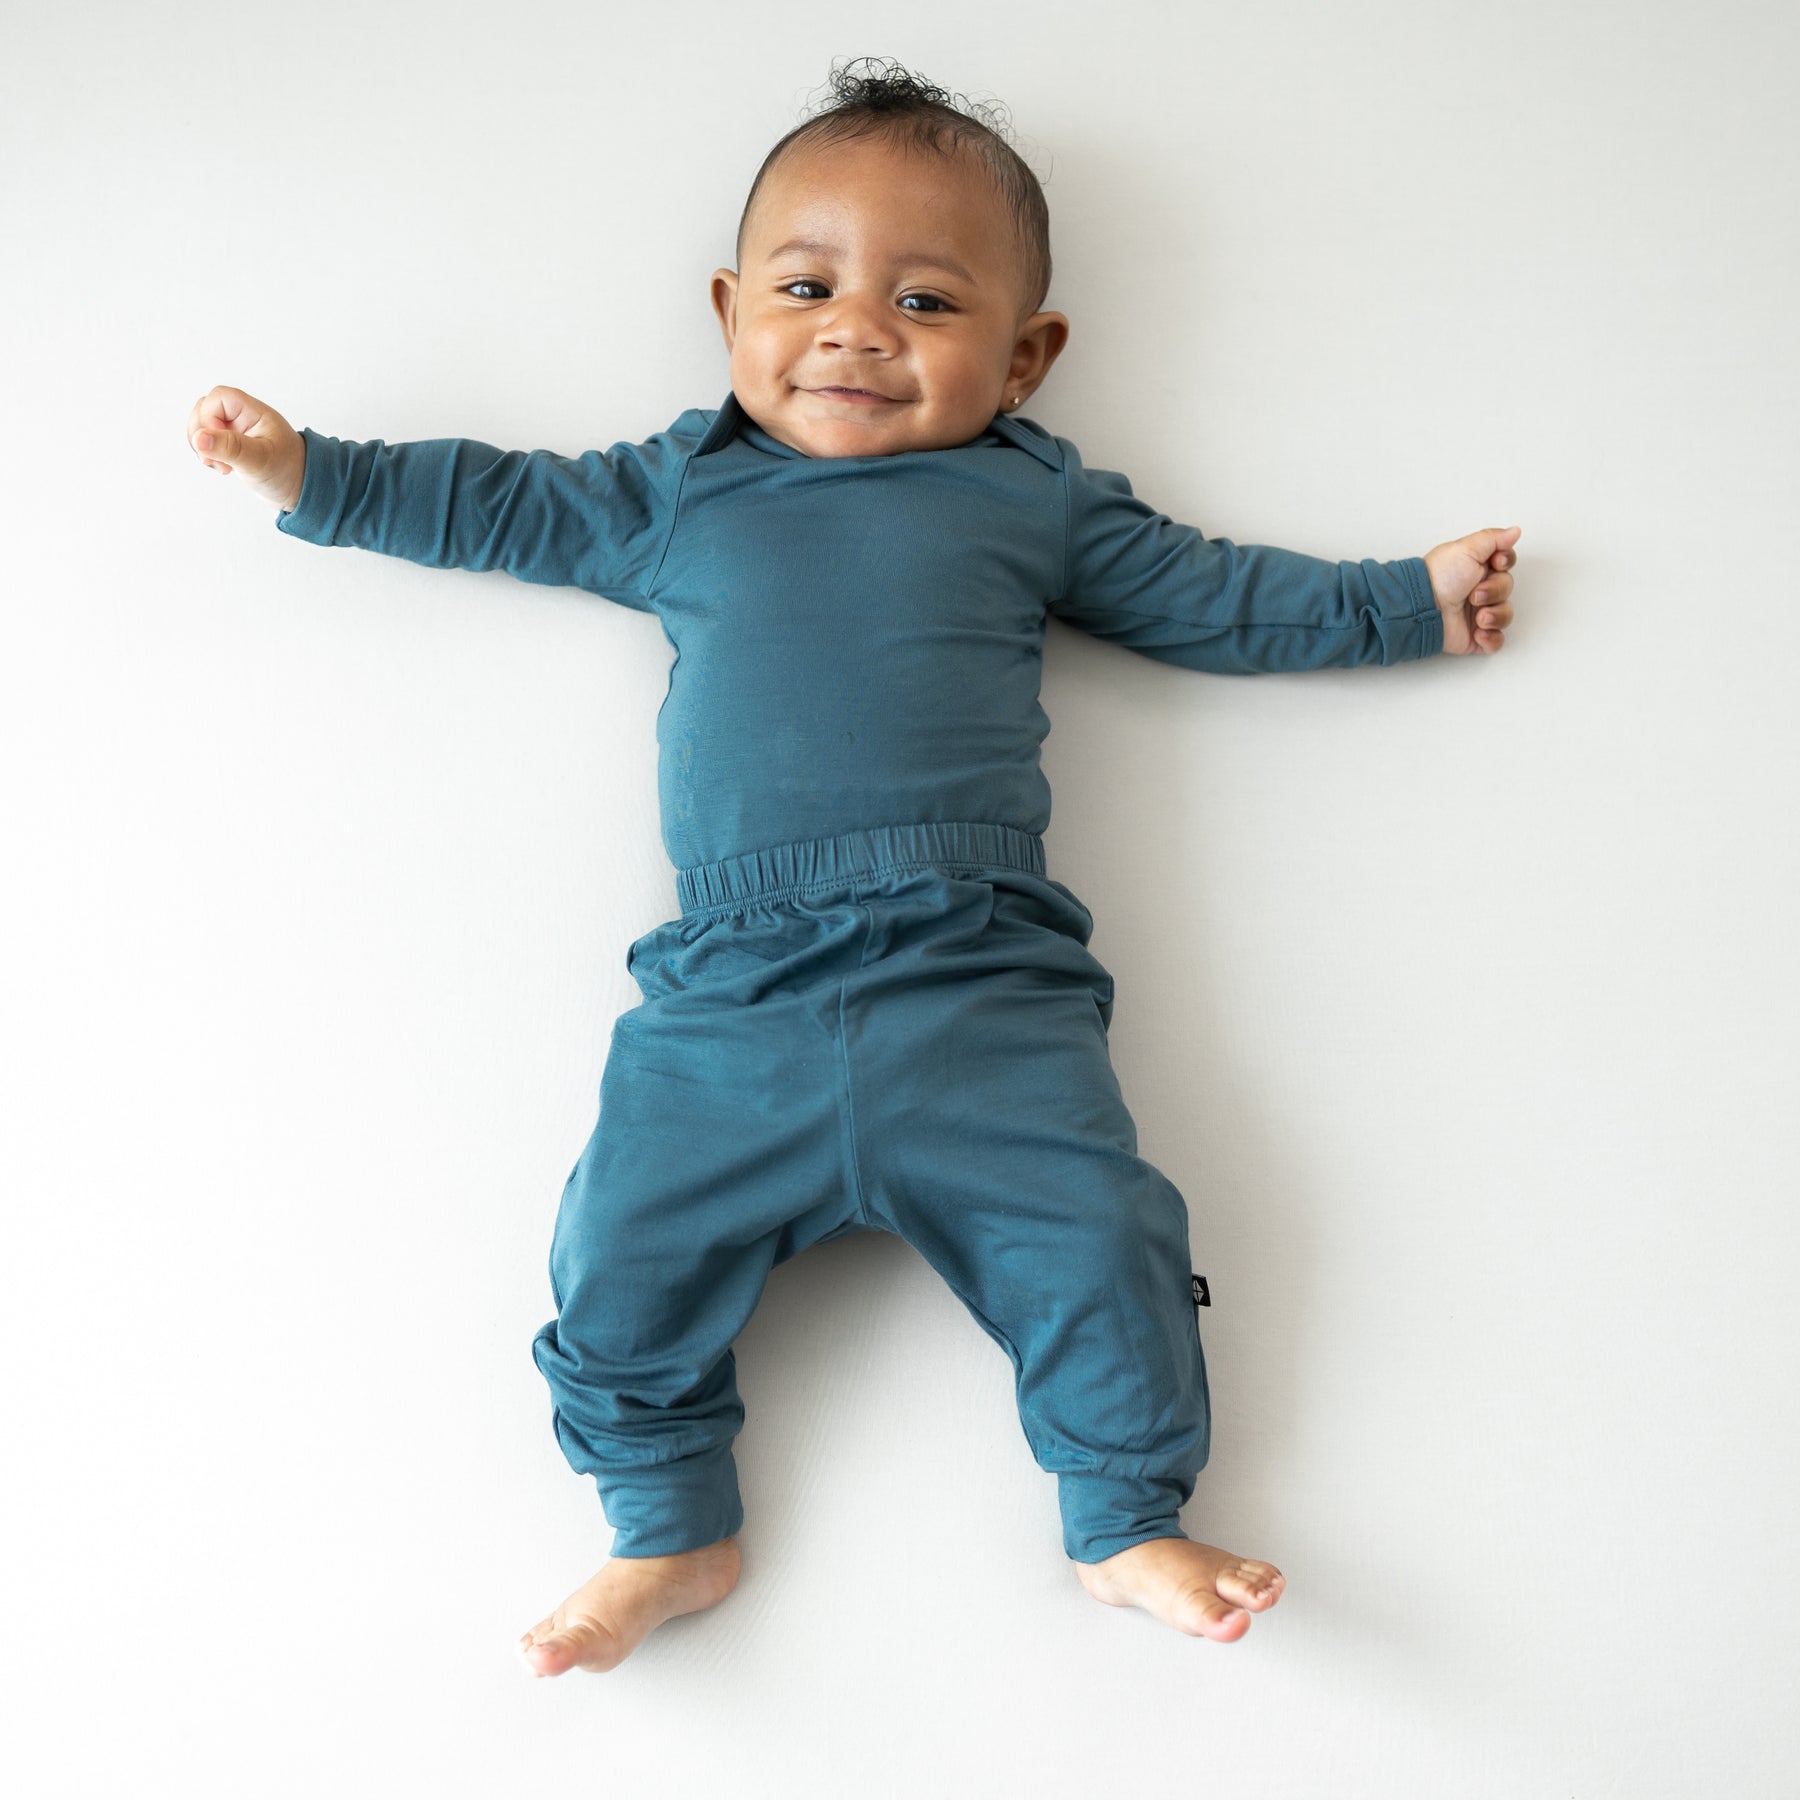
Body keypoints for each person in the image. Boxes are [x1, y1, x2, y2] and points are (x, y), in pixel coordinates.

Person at [184, 56, 1519, 1677]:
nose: (855, 330)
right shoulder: (677, 491)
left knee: (1106, 1240)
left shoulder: (1030, 500)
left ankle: (1123, 1518)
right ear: (731, 310)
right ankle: (667, 1527)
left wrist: (1404, 599)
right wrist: (304, 472)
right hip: (731, 1002)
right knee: (616, 1255)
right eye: (807, 288)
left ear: (1025, 357)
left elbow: (1210, 592)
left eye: (927, 302)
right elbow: (497, 505)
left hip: (981, 983)